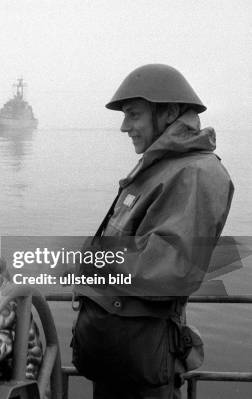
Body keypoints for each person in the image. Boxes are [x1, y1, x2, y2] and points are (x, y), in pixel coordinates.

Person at [71, 64, 234, 398]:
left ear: (169, 112)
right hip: (120, 353)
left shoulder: (197, 173)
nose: (124, 127)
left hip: (143, 360)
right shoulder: (159, 167)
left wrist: (93, 258)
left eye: (133, 115)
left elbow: (169, 267)